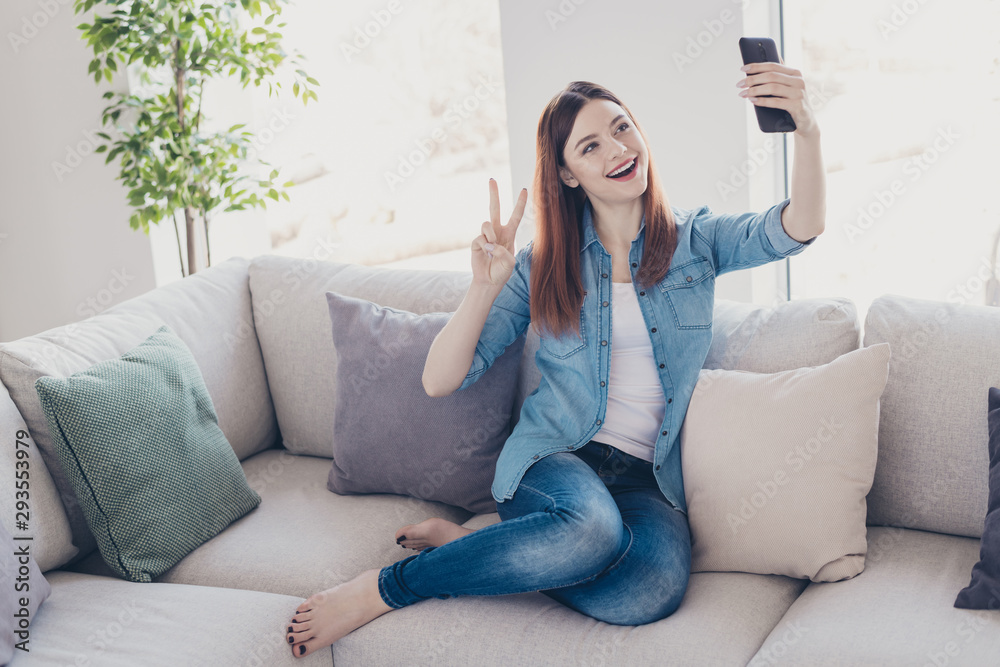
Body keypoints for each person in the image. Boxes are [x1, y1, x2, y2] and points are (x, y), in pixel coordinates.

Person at [285, 60, 825, 658]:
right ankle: (386, 590)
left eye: (623, 129)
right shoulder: (543, 265)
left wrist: (805, 128)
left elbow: (799, 226)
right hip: (556, 458)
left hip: (647, 480)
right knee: (590, 531)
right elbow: (440, 380)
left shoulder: (695, 241)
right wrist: (485, 285)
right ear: (567, 174)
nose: (618, 150)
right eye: (590, 146)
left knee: (650, 592)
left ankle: (482, 547)